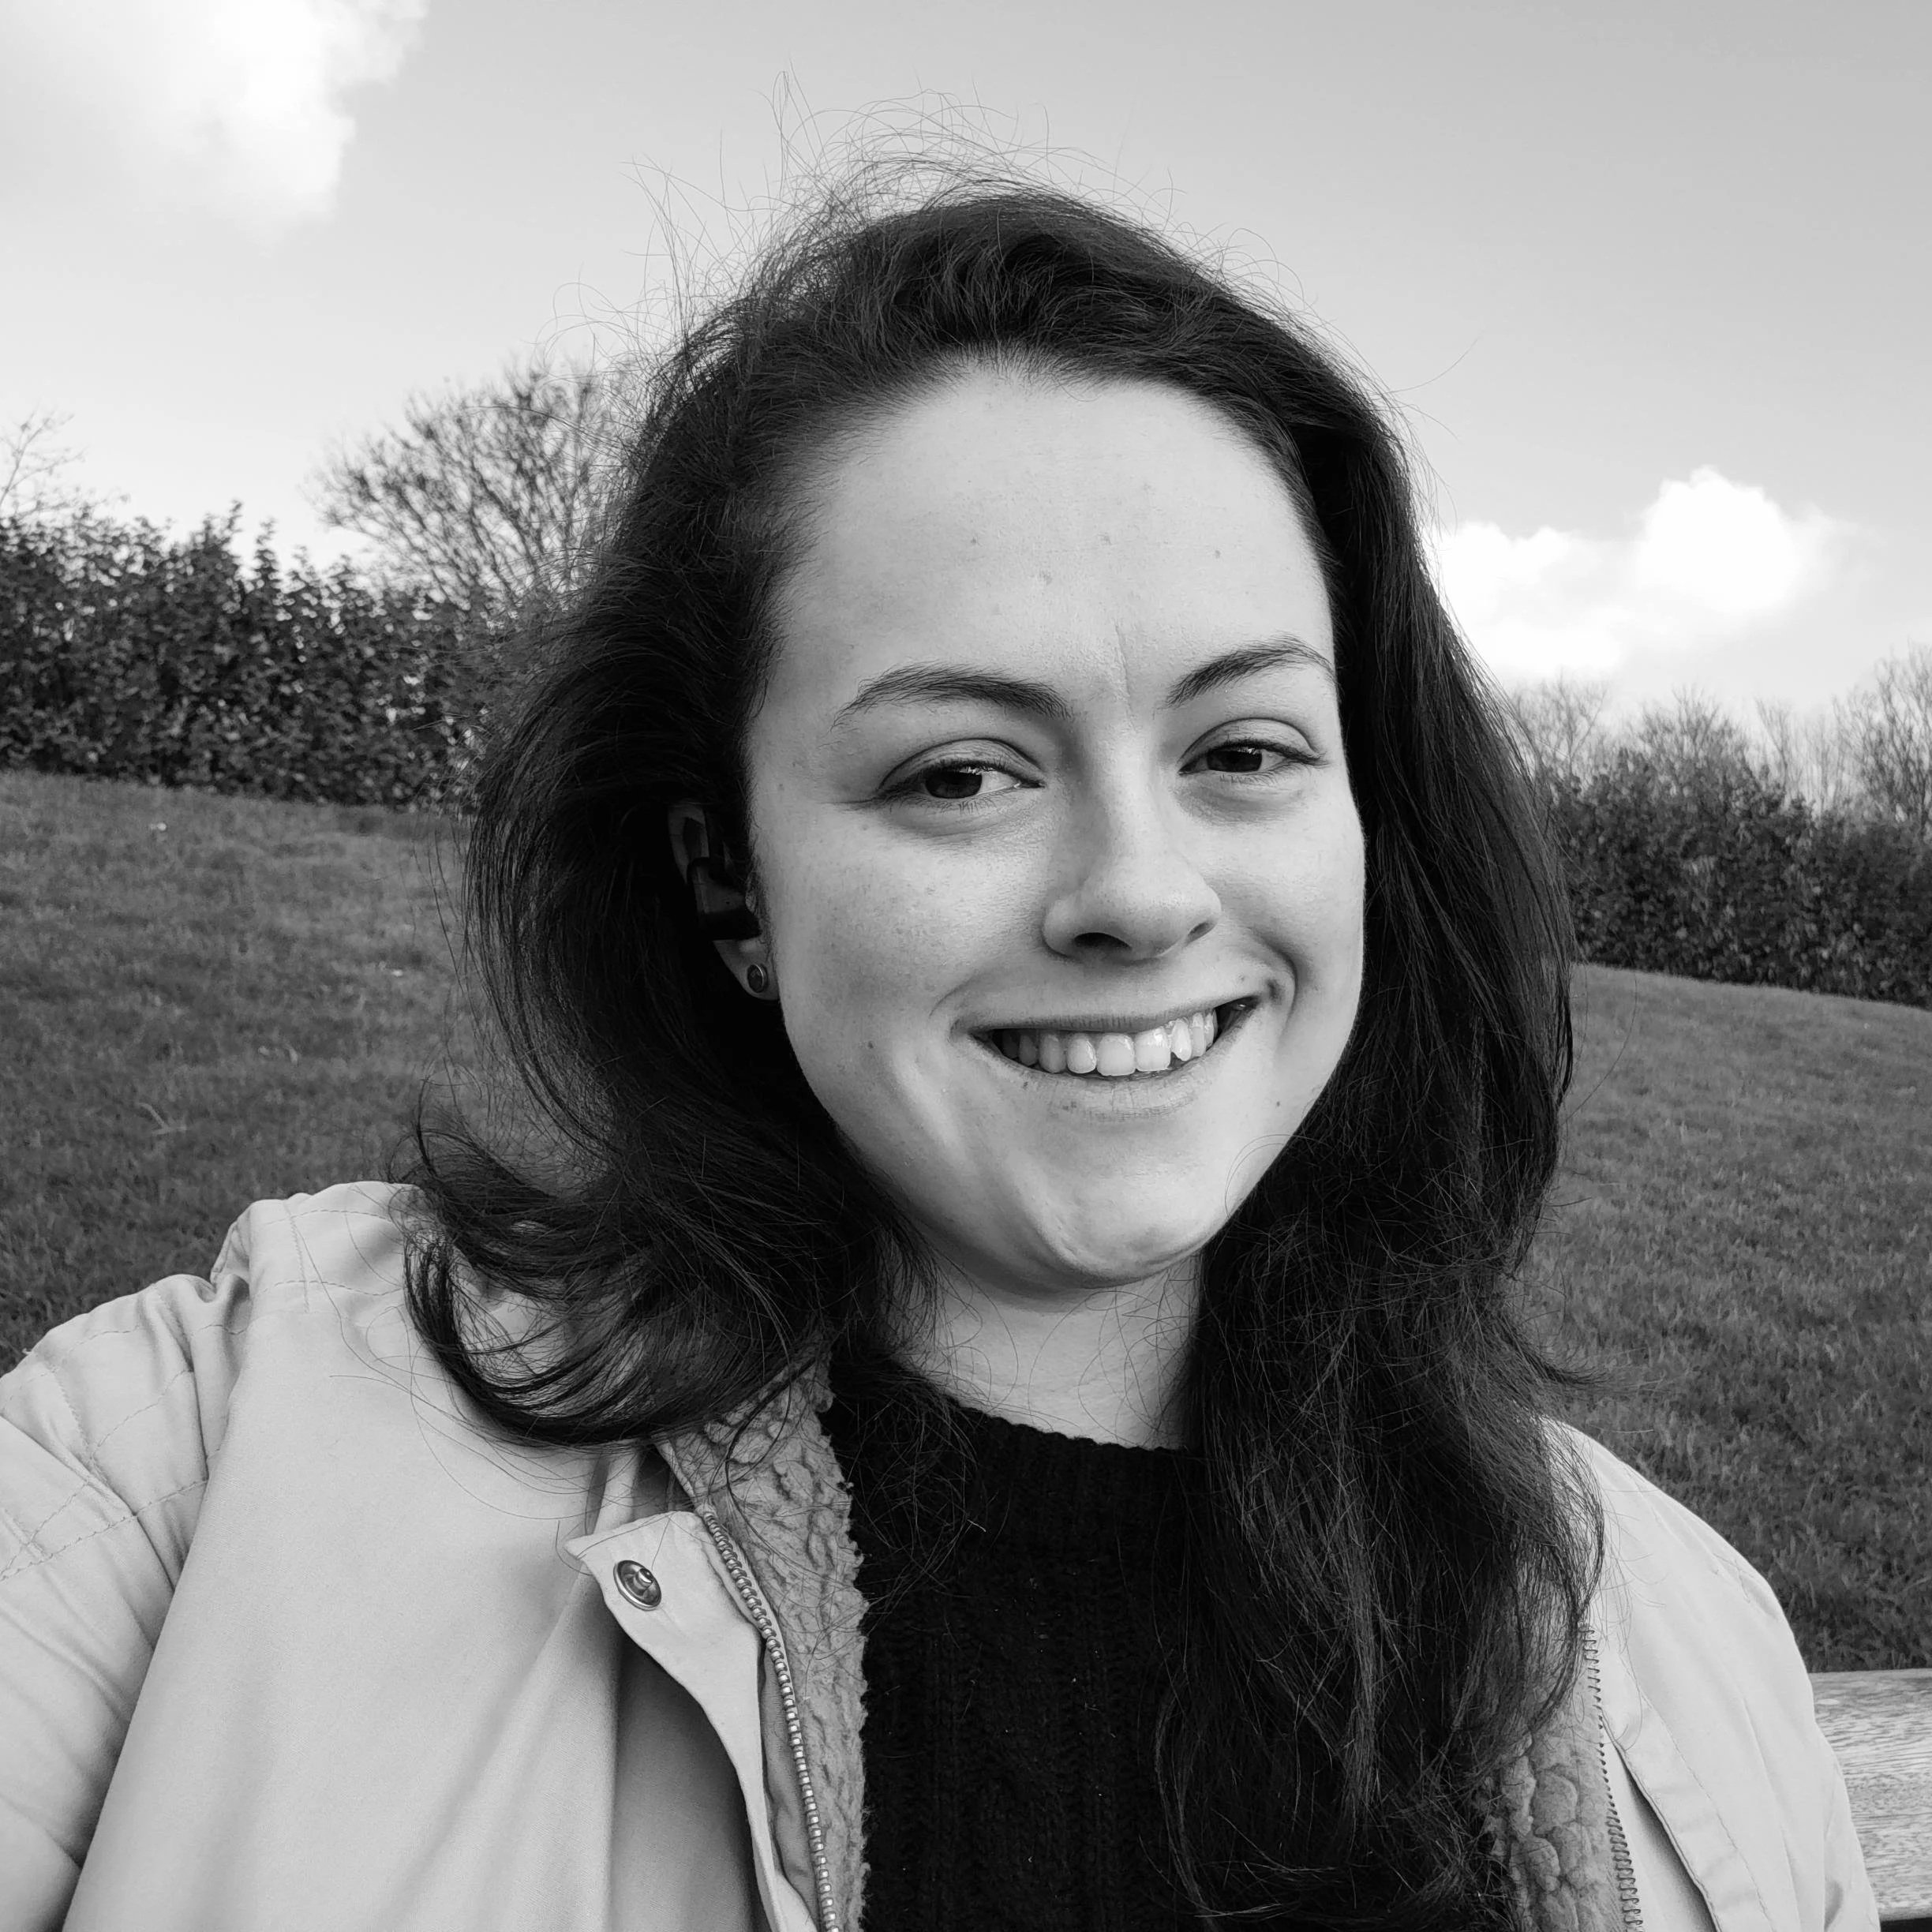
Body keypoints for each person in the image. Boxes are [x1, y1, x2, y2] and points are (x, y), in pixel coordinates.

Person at [0, 173, 1874, 1932]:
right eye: (960, 771)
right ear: (728, 878)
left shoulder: (1681, 1644)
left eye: (1244, 750)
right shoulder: (210, 1455)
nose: (1140, 895)